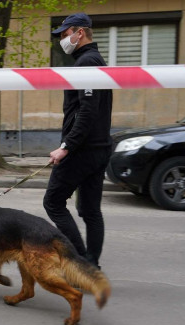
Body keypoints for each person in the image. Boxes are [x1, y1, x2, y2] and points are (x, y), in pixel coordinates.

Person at [43, 12, 113, 268]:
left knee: (53, 202)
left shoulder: (87, 62)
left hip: (83, 149)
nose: (62, 39)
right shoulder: (95, 60)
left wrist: (66, 147)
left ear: (79, 32)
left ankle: (79, 261)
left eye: (64, 34)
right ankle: (91, 263)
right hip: (99, 146)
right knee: (90, 210)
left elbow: (87, 111)